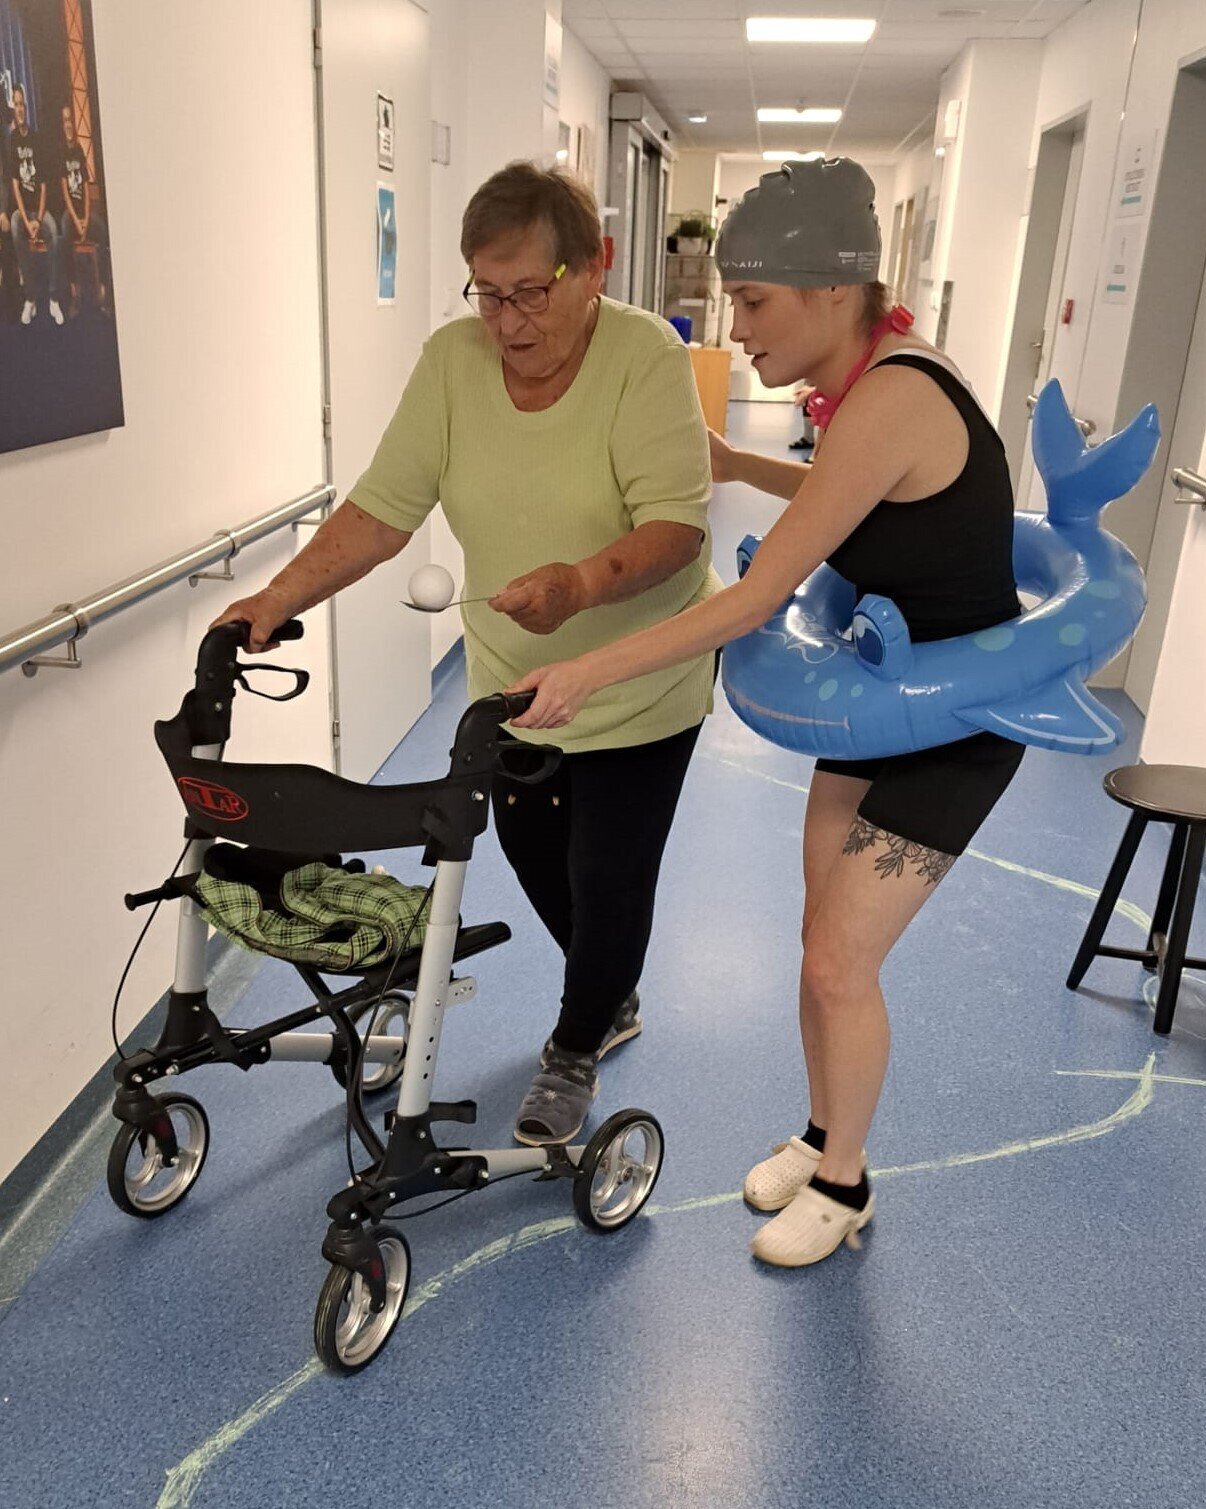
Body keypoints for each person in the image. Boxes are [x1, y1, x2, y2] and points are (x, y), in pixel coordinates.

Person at [507, 157, 1026, 1267]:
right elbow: (857, 491)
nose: (735, 328)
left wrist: (589, 669)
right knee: (815, 940)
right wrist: (742, 460)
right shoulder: (872, 383)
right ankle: (822, 1132)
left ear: (833, 290)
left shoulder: (895, 395)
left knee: (841, 960)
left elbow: (751, 599)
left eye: (752, 301)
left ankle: (846, 1184)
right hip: (888, 703)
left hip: (960, 726)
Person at [214, 161, 720, 1146]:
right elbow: (380, 510)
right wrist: (275, 597)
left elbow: (677, 529)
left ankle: (578, 1039)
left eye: (530, 291)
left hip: (637, 682)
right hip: (513, 688)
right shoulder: (452, 363)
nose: (508, 321)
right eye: (488, 293)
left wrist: (580, 584)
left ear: (596, 267)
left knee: (609, 873)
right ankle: (607, 985)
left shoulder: (645, 357)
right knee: (536, 857)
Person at [8, 84, 64, 326]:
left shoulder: (36, 139)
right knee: (14, 224)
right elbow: (15, 186)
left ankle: (53, 298)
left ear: (26, 108)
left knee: (54, 230)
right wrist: (25, 219)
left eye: (22, 104)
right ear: (13, 108)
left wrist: (39, 220)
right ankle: (30, 297)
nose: (20, 109)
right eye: (16, 104)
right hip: (23, 211)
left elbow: (43, 185)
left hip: (39, 211)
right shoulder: (12, 141)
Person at [57, 103, 110, 314]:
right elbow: (65, 192)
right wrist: (76, 220)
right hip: (71, 214)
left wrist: (86, 218)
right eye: (65, 121)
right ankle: (74, 292)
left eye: (71, 120)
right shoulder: (62, 154)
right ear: (62, 125)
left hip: (85, 212)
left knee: (102, 230)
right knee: (64, 234)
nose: (69, 124)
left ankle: (103, 290)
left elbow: (86, 188)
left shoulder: (79, 150)